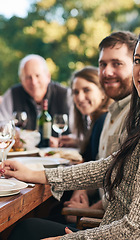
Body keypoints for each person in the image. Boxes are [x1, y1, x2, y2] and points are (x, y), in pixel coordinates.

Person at [0, 23, 140, 239]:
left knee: (25, 230)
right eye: (138, 61)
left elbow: (138, 231)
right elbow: (110, 167)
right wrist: (36, 175)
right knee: (28, 228)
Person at [62, 31, 137, 218]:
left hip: (106, 226)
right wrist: (81, 191)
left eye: (117, 63)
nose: (107, 71)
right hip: (100, 218)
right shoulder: (112, 114)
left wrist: (85, 212)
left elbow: (126, 198)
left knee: (25, 228)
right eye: (102, 64)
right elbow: (99, 168)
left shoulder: (138, 116)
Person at [48, 66, 113, 224]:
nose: (80, 97)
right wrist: (79, 141)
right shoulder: (95, 122)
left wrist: (84, 206)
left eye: (86, 90)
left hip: (95, 211)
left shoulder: (103, 121)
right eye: (76, 92)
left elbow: (102, 171)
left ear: (102, 91)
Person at [0, 54, 71, 133]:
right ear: (21, 80)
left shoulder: (66, 95)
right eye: (28, 77)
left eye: (37, 76)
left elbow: (78, 133)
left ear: (48, 76)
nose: (33, 82)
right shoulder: (12, 94)